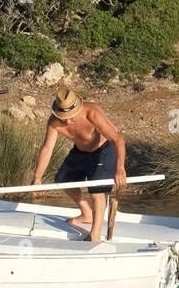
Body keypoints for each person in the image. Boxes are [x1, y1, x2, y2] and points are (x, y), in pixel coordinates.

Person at [31, 87, 127, 241]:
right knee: (63, 181)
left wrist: (120, 168)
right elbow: (47, 149)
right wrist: (37, 178)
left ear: (77, 108)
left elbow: (118, 140)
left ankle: (94, 234)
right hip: (80, 152)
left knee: (96, 190)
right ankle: (86, 213)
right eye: (64, 117)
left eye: (71, 116)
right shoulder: (54, 122)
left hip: (103, 151)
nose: (68, 121)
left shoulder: (91, 113)